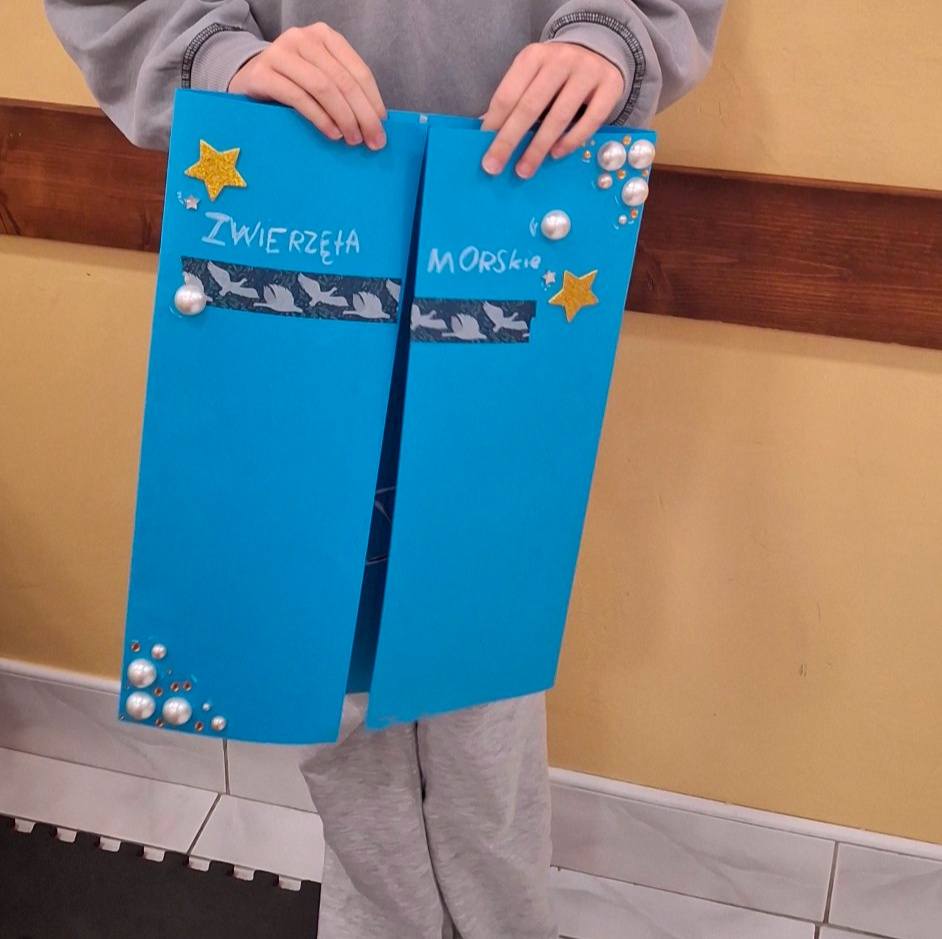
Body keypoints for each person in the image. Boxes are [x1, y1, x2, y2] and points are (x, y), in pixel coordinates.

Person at [45, 2, 724, 936]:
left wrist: (616, 33)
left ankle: (504, 924)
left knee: (482, 675)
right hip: (296, 202)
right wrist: (210, 51)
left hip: (516, 208)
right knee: (326, 653)